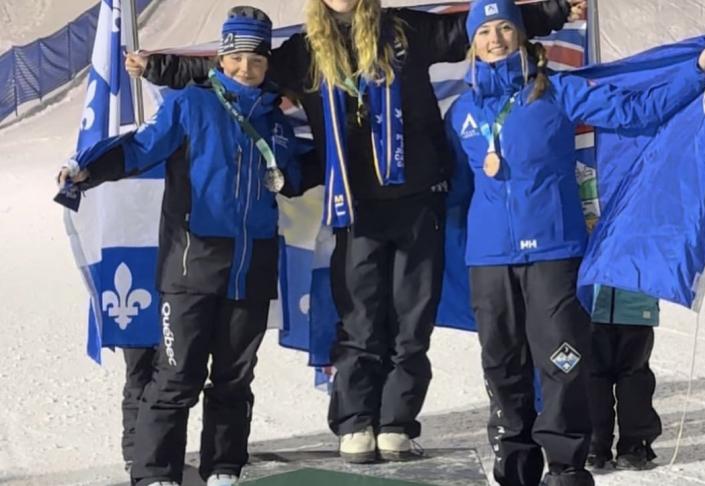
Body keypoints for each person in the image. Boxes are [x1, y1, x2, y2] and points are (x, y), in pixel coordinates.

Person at [126, 0, 584, 464]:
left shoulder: (403, 31)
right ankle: (355, 421)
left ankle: (396, 422)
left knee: (411, 322)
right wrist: (161, 67)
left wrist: (555, 10)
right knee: (361, 320)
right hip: (354, 207)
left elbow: (476, 26)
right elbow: (236, 70)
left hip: (417, 199)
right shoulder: (303, 53)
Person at [444, 1, 705, 484]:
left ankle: (566, 466)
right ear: (472, 42)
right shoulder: (461, 111)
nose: (495, 38)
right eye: (485, 30)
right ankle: (514, 463)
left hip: (554, 250)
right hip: (489, 260)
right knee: (502, 364)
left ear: (521, 34)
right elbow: (455, 192)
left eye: (505, 27)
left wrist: (694, 75)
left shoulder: (557, 90)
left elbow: (633, 112)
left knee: (563, 359)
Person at [57, 7, 318, 486]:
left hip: (252, 264)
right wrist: (88, 169)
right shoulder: (190, 105)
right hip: (191, 266)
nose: (246, 69)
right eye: (237, 58)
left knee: (235, 380)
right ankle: (156, 473)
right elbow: (139, 150)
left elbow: (297, 174)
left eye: (256, 61)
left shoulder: (277, 118)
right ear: (221, 58)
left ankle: (223, 467)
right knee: (177, 377)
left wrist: (296, 176)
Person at [587, 287, 662, 471]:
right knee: (595, 380)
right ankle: (597, 443)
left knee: (632, 381)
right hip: (598, 311)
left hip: (635, 312)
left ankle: (631, 444)